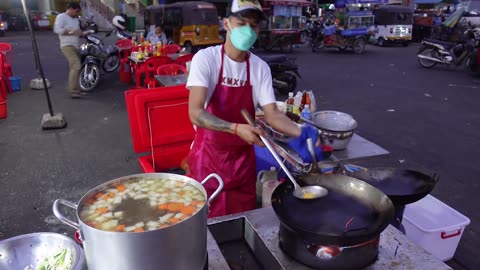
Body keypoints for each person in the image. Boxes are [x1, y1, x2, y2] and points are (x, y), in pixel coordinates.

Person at [186, 0, 323, 218]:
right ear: (226, 24)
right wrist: (235, 129)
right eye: (241, 23)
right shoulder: (206, 59)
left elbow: (273, 114)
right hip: (209, 161)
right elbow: (195, 112)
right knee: (209, 228)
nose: (248, 30)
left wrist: (301, 133)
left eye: (254, 25)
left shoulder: (260, 68)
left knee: (245, 223)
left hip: (243, 164)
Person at [53, 2, 85, 99]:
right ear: (71, 9)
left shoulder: (75, 20)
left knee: (75, 67)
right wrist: (72, 32)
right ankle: (73, 91)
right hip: (66, 46)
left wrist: (83, 33)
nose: (77, 13)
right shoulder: (61, 17)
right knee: (76, 65)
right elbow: (57, 30)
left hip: (76, 46)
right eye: (76, 11)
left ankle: (75, 88)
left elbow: (77, 32)